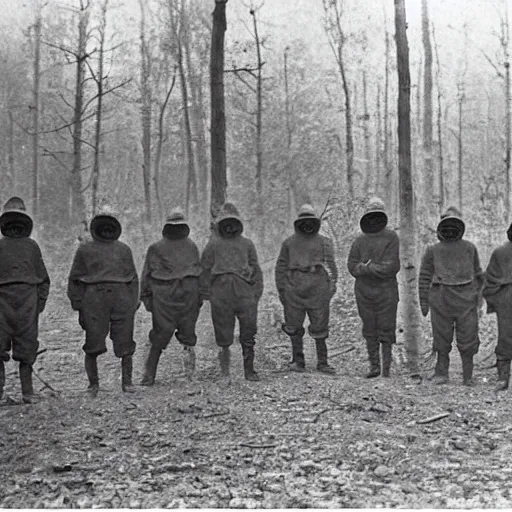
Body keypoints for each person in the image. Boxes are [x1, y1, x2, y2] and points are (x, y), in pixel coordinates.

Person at [67, 208, 139, 396]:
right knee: (93, 340)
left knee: (125, 339)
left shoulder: (124, 250)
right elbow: (74, 278)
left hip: (121, 297)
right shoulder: (84, 250)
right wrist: (77, 302)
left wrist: (133, 302)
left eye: (110, 227)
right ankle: (93, 385)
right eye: (103, 227)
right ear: (96, 229)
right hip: (94, 298)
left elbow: (133, 278)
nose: (106, 231)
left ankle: (127, 382)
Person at [419, 206, 483, 386]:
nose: (450, 230)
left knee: (468, 338)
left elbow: (478, 275)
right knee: (441, 337)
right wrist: (424, 302)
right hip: (441, 299)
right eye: (446, 225)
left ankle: (468, 375)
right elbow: (424, 276)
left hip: (466, 300)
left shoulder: (470, 248)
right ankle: (441, 373)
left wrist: (479, 300)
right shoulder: (432, 250)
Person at [200, 203, 263, 381]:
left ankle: (249, 370)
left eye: (232, 223)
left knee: (248, 331)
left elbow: (256, 269)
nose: (229, 227)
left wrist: (255, 294)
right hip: (221, 292)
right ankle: (225, 371)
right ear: (220, 225)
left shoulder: (247, 244)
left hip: (244, 292)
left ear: (238, 224)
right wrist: (206, 293)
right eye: (225, 223)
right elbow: (203, 269)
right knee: (223, 331)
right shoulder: (212, 245)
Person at [140, 209, 202, 385]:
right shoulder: (158, 248)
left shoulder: (190, 247)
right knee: (167, 335)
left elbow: (146, 277)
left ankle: (186, 375)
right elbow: (146, 276)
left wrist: (147, 298)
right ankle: (150, 375)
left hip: (178, 296)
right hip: (170, 297)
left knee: (181, 335)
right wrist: (147, 298)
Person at [275, 204, 338, 374]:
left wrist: (330, 289)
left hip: (317, 287)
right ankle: (298, 360)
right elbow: (280, 267)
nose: (307, 224)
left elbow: (332, 266)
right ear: (299, 223)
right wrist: (283, 290)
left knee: (320, 324)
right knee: (294, 325)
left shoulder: (325, 242)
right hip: (294, 287)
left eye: (310, 221)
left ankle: (323, 362)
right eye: (304, 221)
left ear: (315, 222)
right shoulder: (288, 243)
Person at [0, 197, 50, 404]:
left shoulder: (32, 247)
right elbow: (45, 282)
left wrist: (37, 305)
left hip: (27, 303)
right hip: (4, 304)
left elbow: (44, 281)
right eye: (11, 224)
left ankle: (27, 392)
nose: (15, 228)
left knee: (27, 347)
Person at [348, 198, 400, 378]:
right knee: (369, 328)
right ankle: (374, 367)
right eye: (371, 216)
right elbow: (352, 266)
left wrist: (367, 268)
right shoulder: (359, 240)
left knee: (386, 327)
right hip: (364, 292)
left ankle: (386, 368)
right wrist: (363, 269)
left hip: (387, 291)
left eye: (378, 216)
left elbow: (392, 266)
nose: (374, 220)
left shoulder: (391, 237)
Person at [483, 223, 512, 391]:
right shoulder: (500, 252)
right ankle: (503, 377)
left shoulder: (499, 251)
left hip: (505, 298)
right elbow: (490, 279)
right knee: (506, 336)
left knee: (506, 336)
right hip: (507, 298)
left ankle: (503, 378)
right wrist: (496, 300)